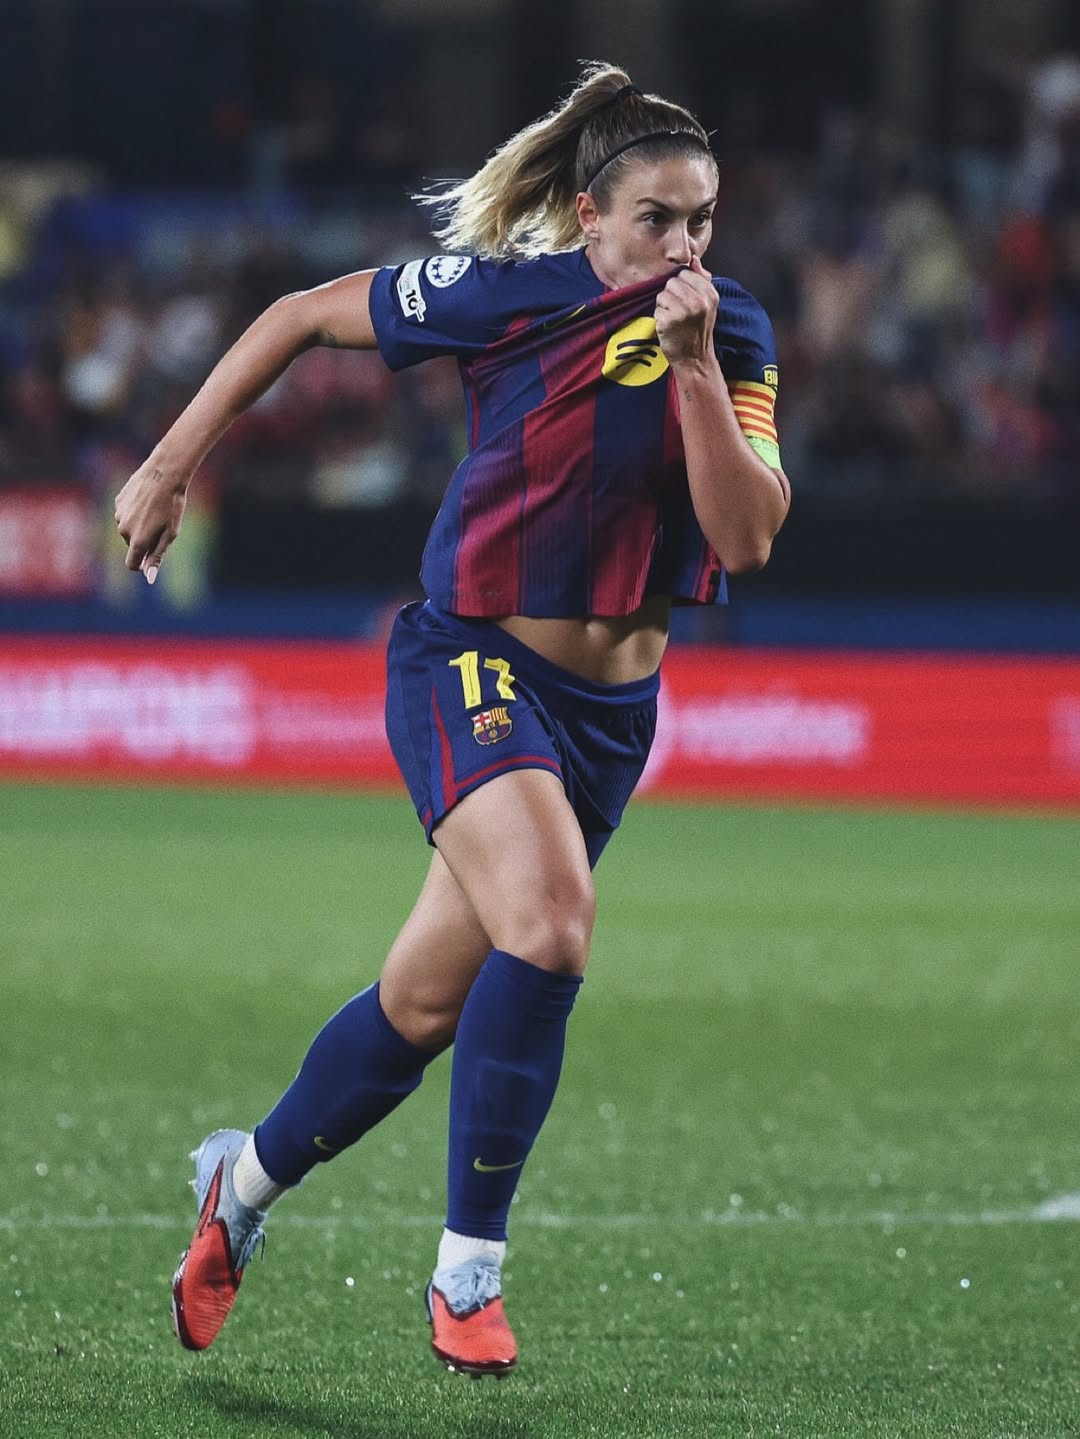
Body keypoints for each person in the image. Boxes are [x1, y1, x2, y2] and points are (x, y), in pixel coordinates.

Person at [114, 60, 790, 1378]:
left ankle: (238, 1188)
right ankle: (467, 1272)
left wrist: (700, 369)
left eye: (702, 220)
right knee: (552, 924)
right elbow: (300, 317)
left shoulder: (735, 331)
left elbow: (747, 537)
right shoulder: (503, 297)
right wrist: (168, 464)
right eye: (655, 219)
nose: (683, 247)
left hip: (609, 718)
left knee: (423, 1006)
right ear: (589, 217)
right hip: (473, 657)